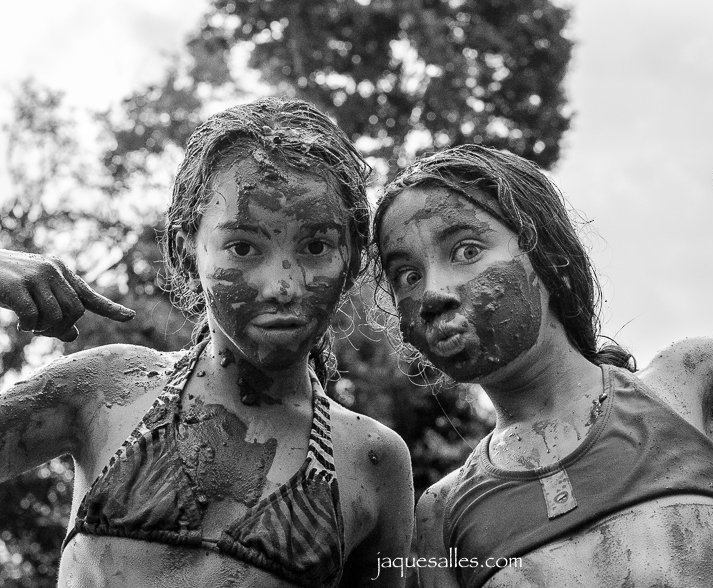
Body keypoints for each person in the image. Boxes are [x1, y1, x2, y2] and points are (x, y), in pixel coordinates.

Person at [372, 108, 713, 587]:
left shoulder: (692, 386)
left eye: (466, 249)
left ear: (547, 258)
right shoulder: (439, 519)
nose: (433, 292)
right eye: (406, 275)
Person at [0, 97, 413, 587]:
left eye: (316, 246)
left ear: (353, 260)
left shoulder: (372, 459)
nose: (282, 285)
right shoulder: (107, 390)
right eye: (243, 247)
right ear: (183, 250)